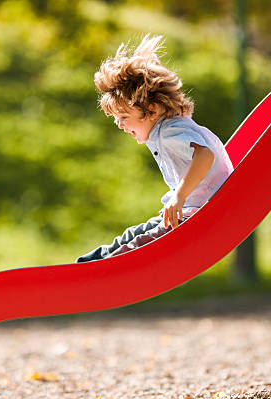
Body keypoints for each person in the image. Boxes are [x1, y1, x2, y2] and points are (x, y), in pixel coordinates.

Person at [76, 35, 234, 263]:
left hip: (196, 216)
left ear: (151, 109)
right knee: (132, 235)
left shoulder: (170, 131)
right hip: (188, 211)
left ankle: (92, 270)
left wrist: (178, 198)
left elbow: (205, 154)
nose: (119, 124)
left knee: (138, 246)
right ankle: (86, 263)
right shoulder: (169, 128)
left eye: (124, 116)